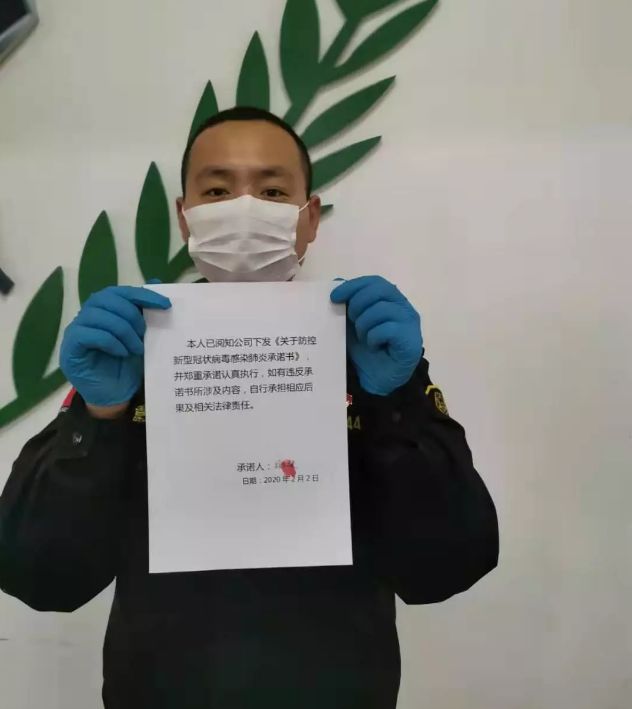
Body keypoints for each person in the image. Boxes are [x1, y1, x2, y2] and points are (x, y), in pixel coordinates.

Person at [0, 107, 498, 709]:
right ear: (185, 217)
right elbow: (40, 577)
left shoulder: (368, 353)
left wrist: (393, 406)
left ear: (308, 218)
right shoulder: (130, 358)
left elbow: (449, 567)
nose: (243, 209)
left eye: (272, 191)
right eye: (217, 190)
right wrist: (98, 418)